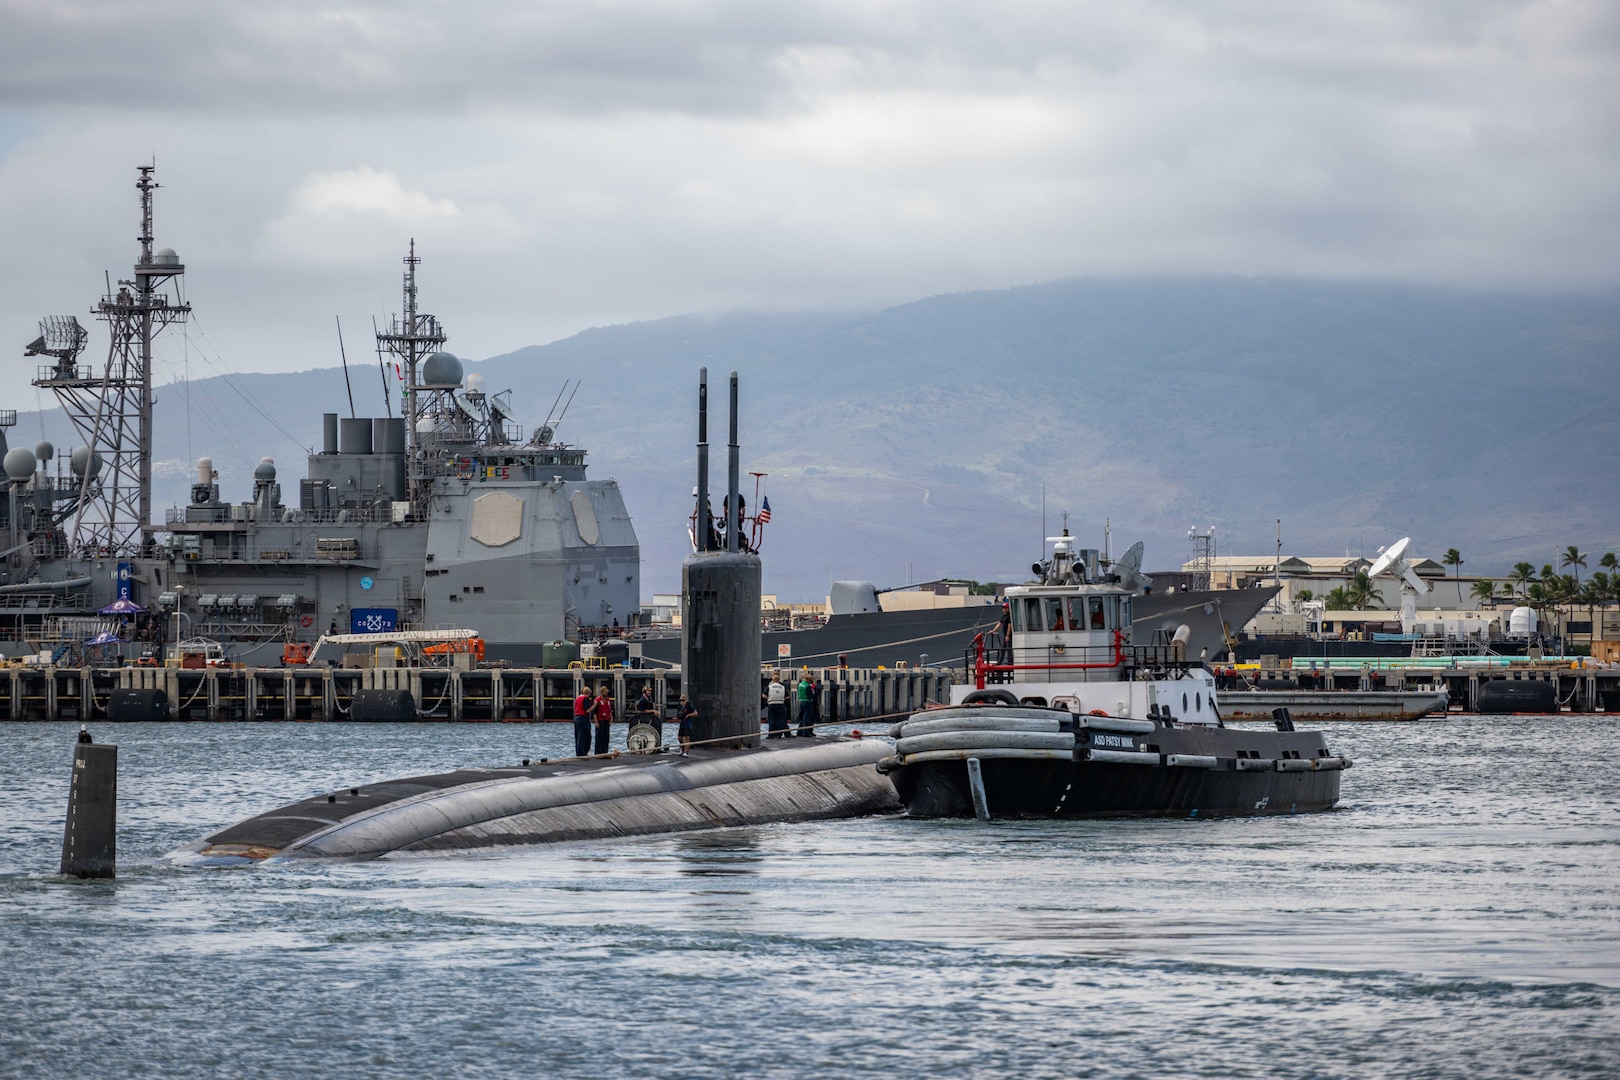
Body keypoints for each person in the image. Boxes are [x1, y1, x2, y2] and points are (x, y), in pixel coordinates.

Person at [764, 672, 790, 738]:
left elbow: (764, 695)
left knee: (771, 719)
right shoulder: (782, 687)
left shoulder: (769, 687)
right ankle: (779, 734)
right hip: (781, 704)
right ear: (779, 679)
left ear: (772, 680)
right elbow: (788, 696)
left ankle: (771, 735)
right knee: (781, 719)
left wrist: (769, 698)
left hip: (772, 704)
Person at [572, 687, 593, 757]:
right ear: (588, 693)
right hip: (583, 718)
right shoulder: (585, 699)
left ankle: (579, 752)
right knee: (585, 736)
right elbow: (587, 710)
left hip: (576, 718)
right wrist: (594, 706)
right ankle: (583, 753)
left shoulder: (577, 698)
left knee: (578, 736)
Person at [593, 687, 613, 755]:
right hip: (600, 720)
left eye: (607, 692)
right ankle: (598, 752)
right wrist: (596, 722)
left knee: (606, 737)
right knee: (599, 737)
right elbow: (594, 712)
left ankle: (605, 751)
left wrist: (611, 718)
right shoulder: (597, 700)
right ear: (602, 692)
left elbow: (609, 710)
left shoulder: (608, 700)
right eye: (605, 692)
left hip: (606, 720)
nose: (607, 693)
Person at [795, 671, 815, 737]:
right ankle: (805, 733)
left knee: (803, 717)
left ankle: (799, 732)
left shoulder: (800, 684)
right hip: (807, 702)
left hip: (801, 701)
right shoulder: (807, 686)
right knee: (807, 717)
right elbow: (810, 695)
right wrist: (813, 692)